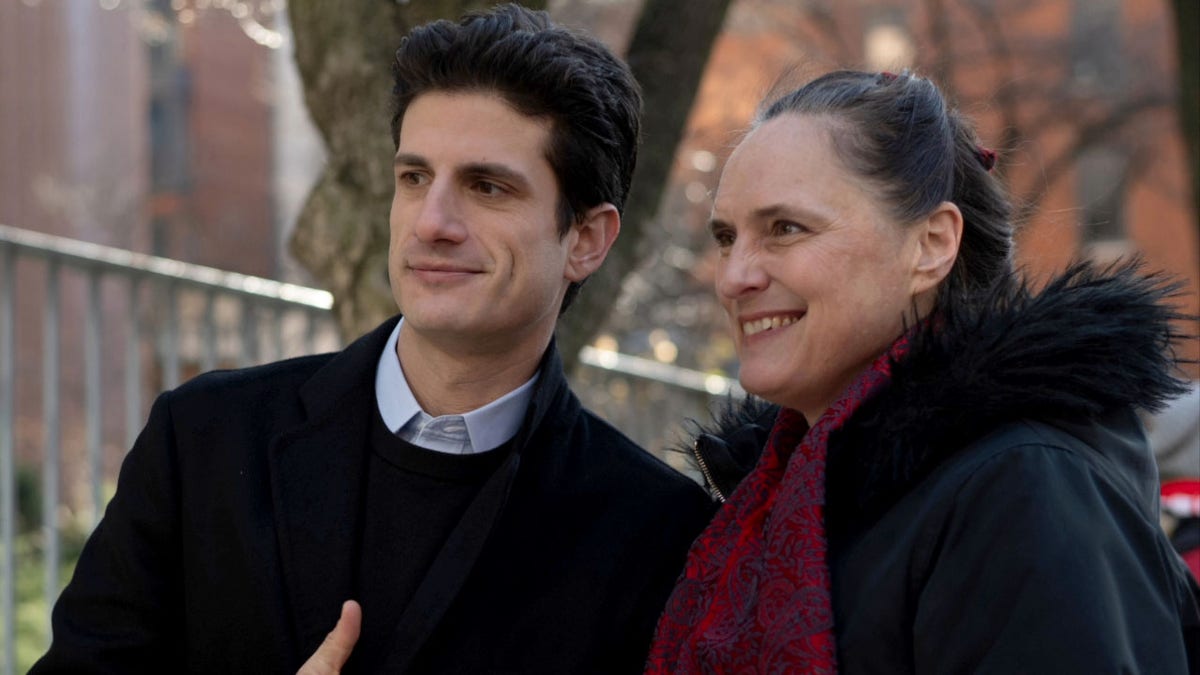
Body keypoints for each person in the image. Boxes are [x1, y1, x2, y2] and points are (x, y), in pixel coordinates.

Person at [32, 5, 715, 673]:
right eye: (415, 177)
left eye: (486, 186)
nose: (432, 221)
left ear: (587, 240)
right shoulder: (203, 439)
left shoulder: (658, 535)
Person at [646, 70, 1200, 673]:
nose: (734, 277)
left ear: (933, 243)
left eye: (786, 229)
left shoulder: (1026, 488)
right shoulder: (778, 497)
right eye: (727, 237)